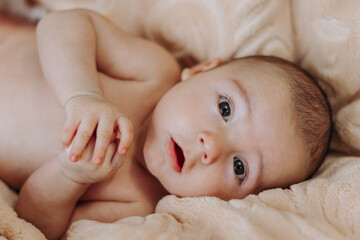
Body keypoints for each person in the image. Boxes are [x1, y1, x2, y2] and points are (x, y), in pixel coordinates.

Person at [0, 9, 331, 240]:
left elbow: (34, 222)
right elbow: (62, 25)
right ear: (200, 71)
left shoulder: (138, 202)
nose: (211, 146)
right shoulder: (152, 72)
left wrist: (67, 175)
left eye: (240, 167)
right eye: (225, 108)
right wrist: (83, 95)